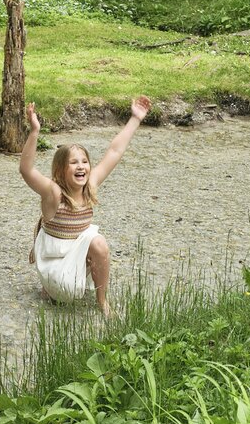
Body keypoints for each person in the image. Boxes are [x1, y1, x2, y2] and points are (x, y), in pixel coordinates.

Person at [20, 96, 152, 317]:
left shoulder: (89, 186)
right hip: (56, 270)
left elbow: (114, 152)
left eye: (84, 161)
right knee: (91, 249)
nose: (81, 166)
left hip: (68, 263)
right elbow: (26, 170)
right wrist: (34, 132)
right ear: (61, 171)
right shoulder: (54, 194)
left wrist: (135, 119)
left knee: (96, 241)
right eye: (73, 162)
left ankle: (102, 302)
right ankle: (53, 288)